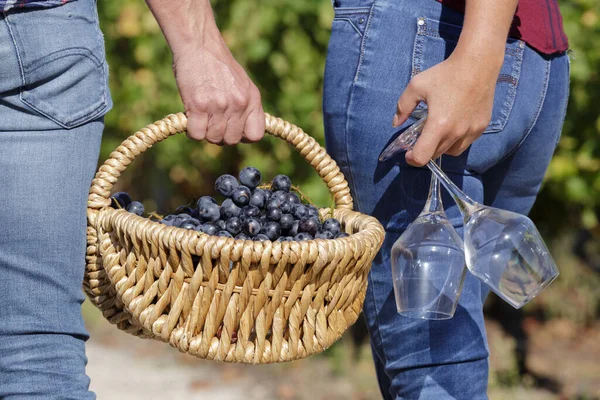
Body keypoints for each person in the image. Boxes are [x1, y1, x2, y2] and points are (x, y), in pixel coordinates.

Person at [0, 0, 568, 398]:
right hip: (541, 51)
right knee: (447, 331)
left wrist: (480, 53)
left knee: (427, 343)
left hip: (428, 40)